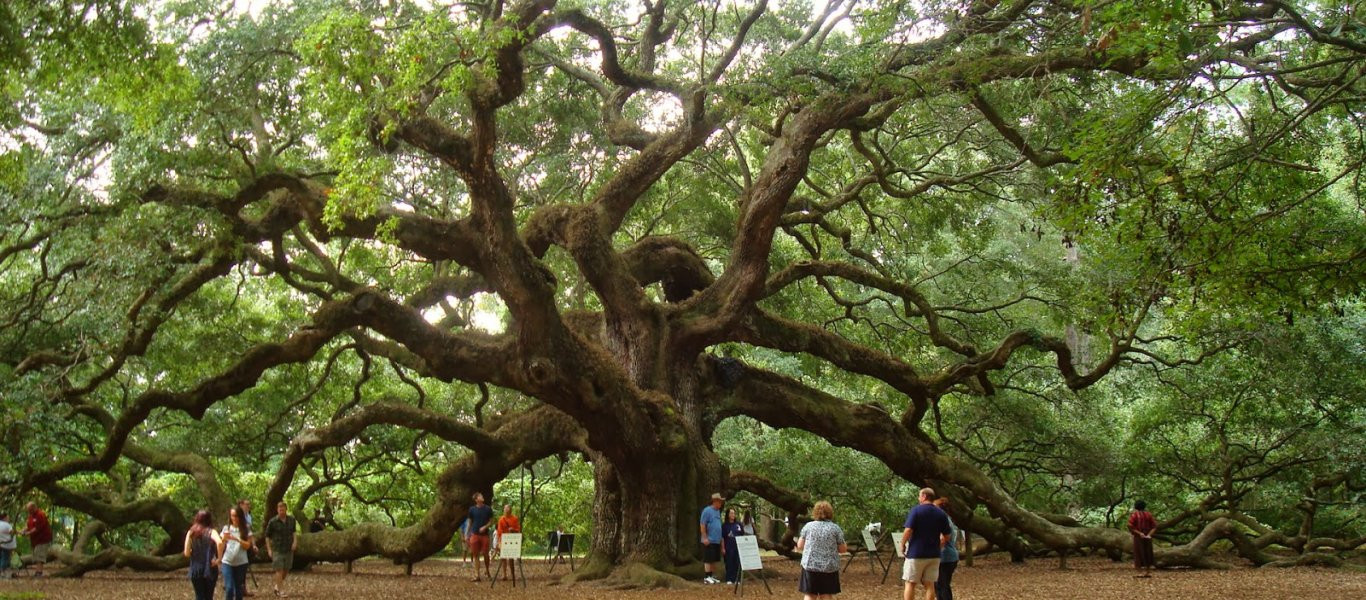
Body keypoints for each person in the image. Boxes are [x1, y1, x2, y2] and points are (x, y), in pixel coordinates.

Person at [900, 487, 951, 600]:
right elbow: (947, 536)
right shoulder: (941, 513)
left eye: (919, 496)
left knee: (910, 583)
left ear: (924, 496)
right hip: (934, 556)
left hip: (916, 554)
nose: (918, 498)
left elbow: (908, 530)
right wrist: (939, 546)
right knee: (930, 584)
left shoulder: (916, 511)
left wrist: (902, 544)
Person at [796, 501, 847, 600]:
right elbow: (843, 549)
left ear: (815, 512)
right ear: (830, 513)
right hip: (829, 568)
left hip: (810, 566)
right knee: (826, 595)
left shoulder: (808, 526)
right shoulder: (835, 528)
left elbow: (800, 545)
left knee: (810, 595)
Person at [184, 510, 222, 600]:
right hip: (210, 567)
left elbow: (186, 553)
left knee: (199, 596)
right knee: (209, 596)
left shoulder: (191, 532)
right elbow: (220, 543)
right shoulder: (211, 532)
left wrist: (192, 551)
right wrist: (219, 559)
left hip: (196, 568)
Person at [219, 505, 254, 600]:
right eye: (232, 516)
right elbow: (220, 545)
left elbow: (247, 546)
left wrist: (237, 539)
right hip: (227, 562)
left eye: (236, 516)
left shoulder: (246, 528)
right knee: (229, 588)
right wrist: (223, 540)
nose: (234, 518)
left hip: (241, 563)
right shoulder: (226, 528)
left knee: (239, 589)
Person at [265, 501, 298, 597]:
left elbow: (294, 532)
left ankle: (277, 586)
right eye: (279, 510)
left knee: (286, 569)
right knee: (279, 569)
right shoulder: (273, 522)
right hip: (277, 549)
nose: (281, 511)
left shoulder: (291, 520)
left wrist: (295, 542)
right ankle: (280, 590)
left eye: (283, 509)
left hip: (288, 548)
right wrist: (269, 549)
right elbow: (267, 536)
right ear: (277, 510)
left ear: (286, 510)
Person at [932, 496, 960, 600]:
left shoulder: (943, 520)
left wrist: (933, 551)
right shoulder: (947, 519)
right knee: (941, 586)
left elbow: (943, 539)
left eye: (934, 507)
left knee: (942, 586)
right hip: (949, 557)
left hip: (945, 557)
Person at [466, 492, 494, 582]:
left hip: (485, 535)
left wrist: (485, 527)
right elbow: (469, 522)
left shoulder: (488, 509)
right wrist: (467, 534)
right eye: (480, 496)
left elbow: (491, 521)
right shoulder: (472, 509)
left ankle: (487, 570)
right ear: (476, 499)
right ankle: (477, 575)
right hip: (474, 534)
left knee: (486, 554)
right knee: (476, 555)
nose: (482, 497)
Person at [698, 492, 724, 584]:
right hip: (709, 539)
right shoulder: (707, 510)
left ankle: (712, 576)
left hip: (716, 540)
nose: (721, 504)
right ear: (715, 501)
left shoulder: (717, 512)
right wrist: (705, 538)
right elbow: (702, 524)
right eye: (720, 502)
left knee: (714, 559)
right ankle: (707, 576)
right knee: (708, 558)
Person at [21, 502, 52, 578]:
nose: (29, 511)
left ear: (34, 507)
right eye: (28, 510)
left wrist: (28, 533)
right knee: (35, 555)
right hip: (35, 540)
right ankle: (37, 571)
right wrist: (23, 530)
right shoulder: (31, 516)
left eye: (30, 510)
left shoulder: (40, 515)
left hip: (42, 540)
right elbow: (28, 526)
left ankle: (39, 572)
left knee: (39, 556)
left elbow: (37, 528)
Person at [1128, 500, 1157, 577]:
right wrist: (1149, 535)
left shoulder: (1134, 515)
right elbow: (1154, 526)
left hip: (1138, 538)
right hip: (1147, 537)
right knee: (1148, 553)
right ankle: (1148, 571)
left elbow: (1130, 526)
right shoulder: (1149, 515)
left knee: (1138, 553)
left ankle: (1140, 572)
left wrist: (1140, 533)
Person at [495, 504, 521, 581]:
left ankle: (512, 574)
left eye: (508, 508)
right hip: (503, 540)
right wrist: (500, 540)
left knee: (511, 557)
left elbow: (518, 530)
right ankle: (504, 574)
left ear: (510, 510)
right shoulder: (501, 519)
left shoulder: (515, 519)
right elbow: (499, 531)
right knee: (503, 557)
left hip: (512, 540)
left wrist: (513, 530)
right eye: (505, 508)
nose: (506, 509)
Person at [721, 508, 743, 584]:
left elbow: (742, 535)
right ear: (728, 514)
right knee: (729, 563)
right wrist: (723, 548)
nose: (733, 515)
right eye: (731, 513)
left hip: (738, 547)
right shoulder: (725, 525)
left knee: (737, 563)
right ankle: (729, 579)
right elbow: (722, 537)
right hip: (728, 547)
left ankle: (737, 579)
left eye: (734, 513)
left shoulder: (738, 524)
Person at [0, 511, 16, 579]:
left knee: (2, 557)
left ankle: (5, 572)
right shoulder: (7, 524)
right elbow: (11, 532)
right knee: (5, 558)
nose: (8, 518)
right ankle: (2, 573)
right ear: (5, 517)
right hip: (7, 545)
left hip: (1, 544)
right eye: (7, 517)